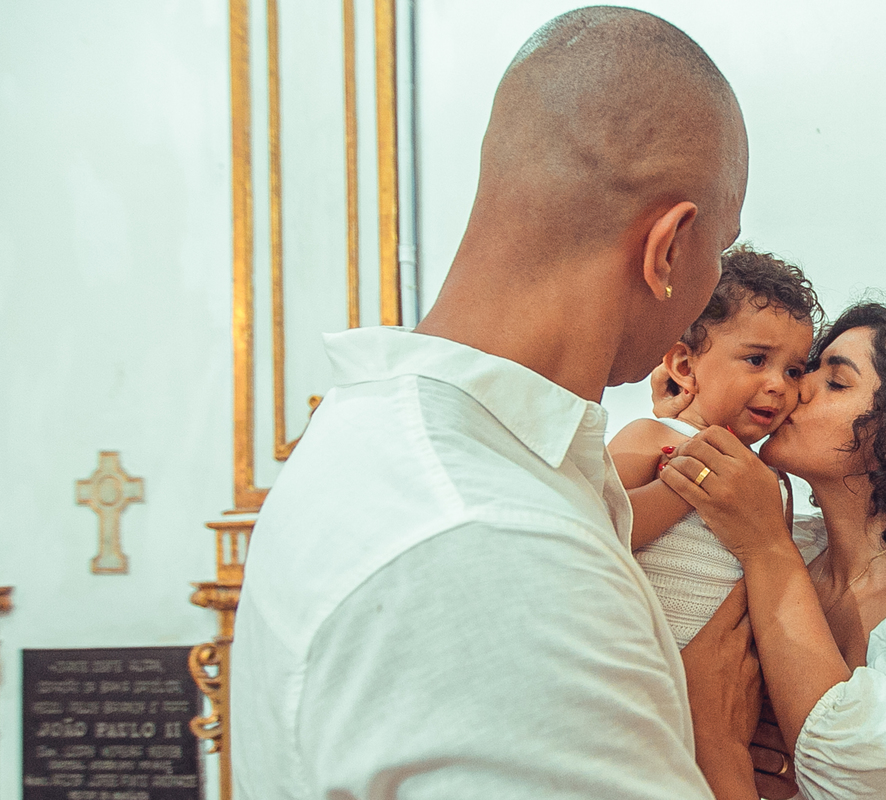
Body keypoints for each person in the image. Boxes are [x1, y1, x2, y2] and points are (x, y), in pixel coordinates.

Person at [229, 7, 765, 800]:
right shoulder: (499, 547)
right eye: (719, 250)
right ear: (669, 248)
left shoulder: (379, 430)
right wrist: (718, 750)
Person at [658, 302, 886, 800]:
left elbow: (866, 771)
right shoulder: (792, 541)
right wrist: (682, 417)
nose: (799, 387)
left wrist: (766, 548)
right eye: (810, 368)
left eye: (836, 382)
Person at [610, 245, 819, 647]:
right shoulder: (651, 436)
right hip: (638, 666)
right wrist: (687, 482)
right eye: (757, 360)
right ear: (685, 367)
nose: (779, 384)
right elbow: (597, 529)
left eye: (794, 371)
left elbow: (770, 580)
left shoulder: (774, 482)